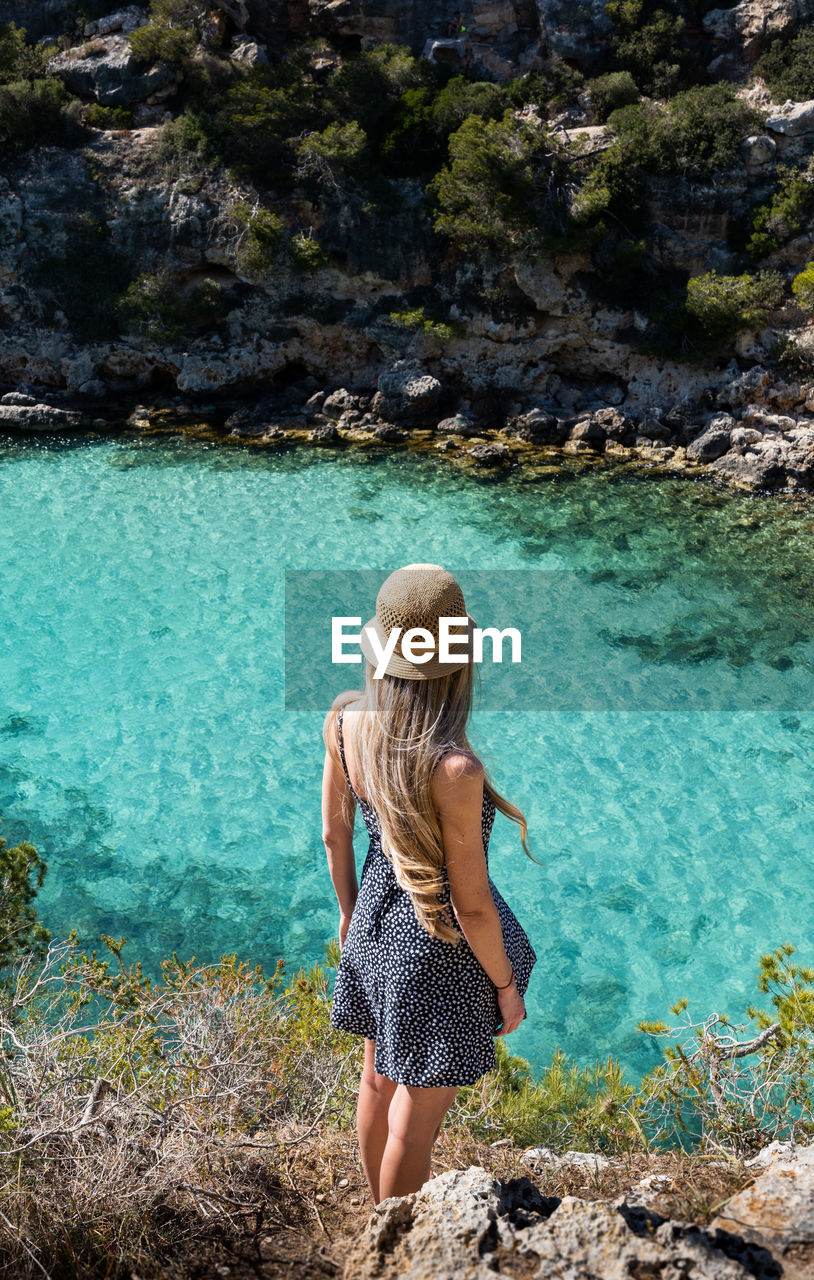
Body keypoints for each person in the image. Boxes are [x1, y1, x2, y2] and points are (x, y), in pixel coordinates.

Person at [321, 563, 537, 1205]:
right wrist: (504, 988)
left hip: (372, 929)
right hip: (432, 956)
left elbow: (336, 838)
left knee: (375, 1086)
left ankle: (374, 1222)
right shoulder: (454, 768)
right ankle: (392, 1251)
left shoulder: (343, 721)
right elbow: (470, 905)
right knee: (413, 1137)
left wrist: (349, 916)